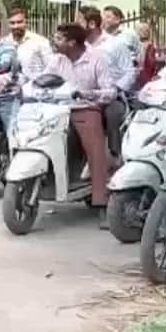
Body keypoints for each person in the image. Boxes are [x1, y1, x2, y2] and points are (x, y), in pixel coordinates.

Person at [43, 23, 117, 229]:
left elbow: (110, 91)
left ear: (72, 42)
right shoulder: (56, 60)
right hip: (58, 110)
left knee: (96, 152)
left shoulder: (96, 59)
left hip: (86, 108)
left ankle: (101, 202)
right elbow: (43, 80)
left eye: (59, 38)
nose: (54, 42)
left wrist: (88, 94)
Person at [76, 6, 131, 160]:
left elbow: (130, 71)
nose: (76, 25)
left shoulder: (115, 44)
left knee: (111, 114)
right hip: (86, 96)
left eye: (79, 21)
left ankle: (115, 155)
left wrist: (117, 89)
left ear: (92, 24)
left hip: (113, 97)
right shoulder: (81, 47)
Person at [7, 7, 53, 80]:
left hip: (35, 86)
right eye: (12, 23)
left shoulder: (40, 41)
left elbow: (50, 67)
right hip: (10, 88)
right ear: (8, 24)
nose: (16, 26)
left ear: (26, 22)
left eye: (19, 22)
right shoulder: (5, 42)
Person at [133, 22, 166, 89]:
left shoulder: (151, 45)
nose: (145, 32)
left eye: (147, 30)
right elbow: (150, 60)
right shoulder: (142, 45)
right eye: (142, 30)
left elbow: (156, 58)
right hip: (144, 74)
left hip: (147, 74)